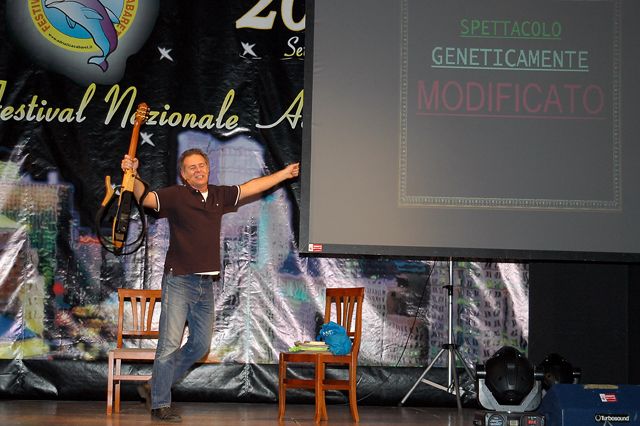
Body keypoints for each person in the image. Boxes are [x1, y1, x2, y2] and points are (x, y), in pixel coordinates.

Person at [121, 148, 299, 422]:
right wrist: (133, 175)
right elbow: (146, 198)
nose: (198, 170)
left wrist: (284, 174)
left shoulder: (218, 195)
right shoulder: (176, 196)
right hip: (179, 280)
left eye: (201, 165)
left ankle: (155, 384)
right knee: (169, 344)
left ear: (208, 168)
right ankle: (160, 403)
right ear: (184, 175)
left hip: (205, 285)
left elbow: (252, 187)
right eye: (191, 167)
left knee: (200, 345)